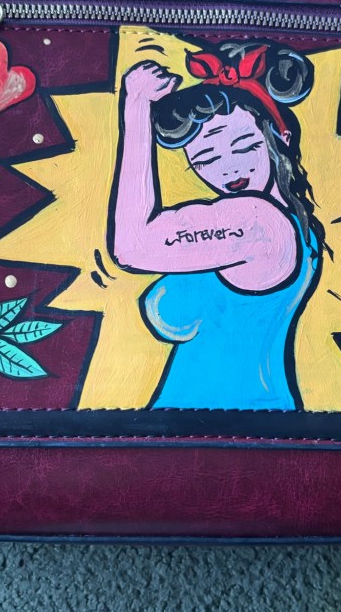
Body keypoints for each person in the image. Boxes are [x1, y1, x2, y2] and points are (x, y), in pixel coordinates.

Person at [112, 41, 324, 410]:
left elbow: (132, 246)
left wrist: (137, 106)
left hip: (219, 412)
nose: (228, 169)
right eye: (206, 158)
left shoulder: (258, 223)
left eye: (243, 146)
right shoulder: (293, 219)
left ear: (280, 137)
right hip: (252, 411)